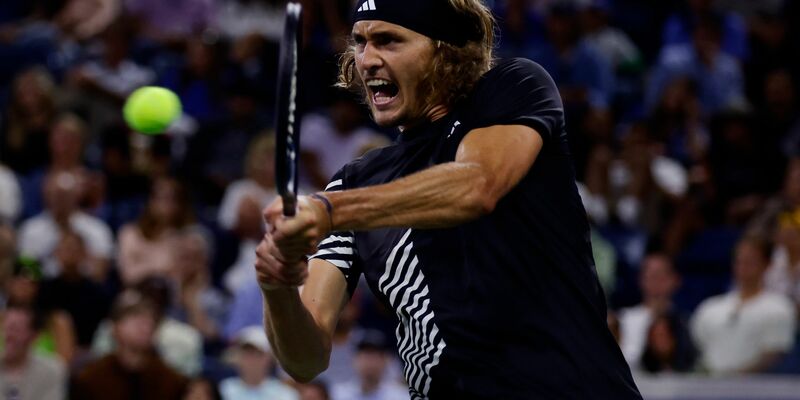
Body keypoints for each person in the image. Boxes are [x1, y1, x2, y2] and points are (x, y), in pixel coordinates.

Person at [254, 0, 641, 398]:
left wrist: (329, 211)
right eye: (360, 42)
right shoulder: (353, 183)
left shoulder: (513, 89)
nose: (367, 59)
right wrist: (277, 285)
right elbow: (306, 359)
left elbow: (477, 185)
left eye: (388, 40)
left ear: (446, 50)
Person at [690, 235, 796, 374]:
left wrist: (736, 379)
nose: (743, 266)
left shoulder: (779, 307)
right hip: (711, 388)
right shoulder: (710, 307)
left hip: (757, 389)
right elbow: (699, 348)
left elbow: (774, 354)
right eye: (739, 260)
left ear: (767, 264)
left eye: (750, 261)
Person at [72, 290, 189, 399]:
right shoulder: (91, 379)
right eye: (134, 316)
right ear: (115, 327)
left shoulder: (171, 381)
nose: (145, 323)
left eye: (151, 317)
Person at [618, 253, 683, 370]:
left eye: (661, 277)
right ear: (641, 280)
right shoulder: (624, 320)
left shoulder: (684, 322)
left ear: (675, 280)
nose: (656, 283)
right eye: (651, 277)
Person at [0, 304, 67, 400]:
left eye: (16, 330)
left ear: (34, 336)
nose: (9, 336)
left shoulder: (52, 370)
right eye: (7, 328)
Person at [219, 326, 298, 400]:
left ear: (268, 358)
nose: (252, 360)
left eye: (258, 354)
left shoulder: (285, 394)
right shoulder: (223, 390)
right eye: (247, 353)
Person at [330, 330, 408, 400]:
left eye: (375, 356)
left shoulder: (401, 396)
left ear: (385, 361)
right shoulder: (337, 394)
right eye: (366, 355)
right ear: (355, 359)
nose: (370, 362)